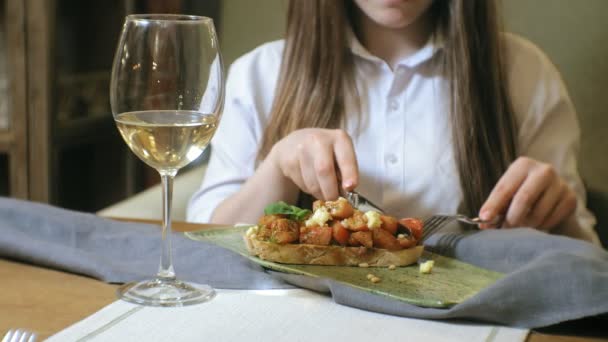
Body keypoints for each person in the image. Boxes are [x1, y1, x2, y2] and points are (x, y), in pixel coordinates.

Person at [187, 0, 600, 245]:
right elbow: (204, 242)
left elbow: (586, 259)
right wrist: (277, 168)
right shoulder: (258, 75)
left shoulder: (523, 74)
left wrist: (558, 216)